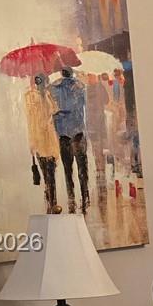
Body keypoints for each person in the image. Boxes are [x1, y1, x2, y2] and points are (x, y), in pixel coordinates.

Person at [51, 66, 89, 211]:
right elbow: (83, 106)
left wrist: (58, 117)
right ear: (72, 74)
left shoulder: (54, 88)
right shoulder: (80, 87)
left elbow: (53, 110)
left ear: (62, 74)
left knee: (68, 169)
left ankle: (71, 198)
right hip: (78, 131)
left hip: (63, 133)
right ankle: (85, 197)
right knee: (82, 167)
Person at [24, 73, 60, 213]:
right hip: (41, 140)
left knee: (49, 172)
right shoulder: (31, 97)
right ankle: (51, 200)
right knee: (47, 173)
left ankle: (51, 201)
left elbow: (54, 110)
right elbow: (31, 120)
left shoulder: (46, 95)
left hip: (46, 140)